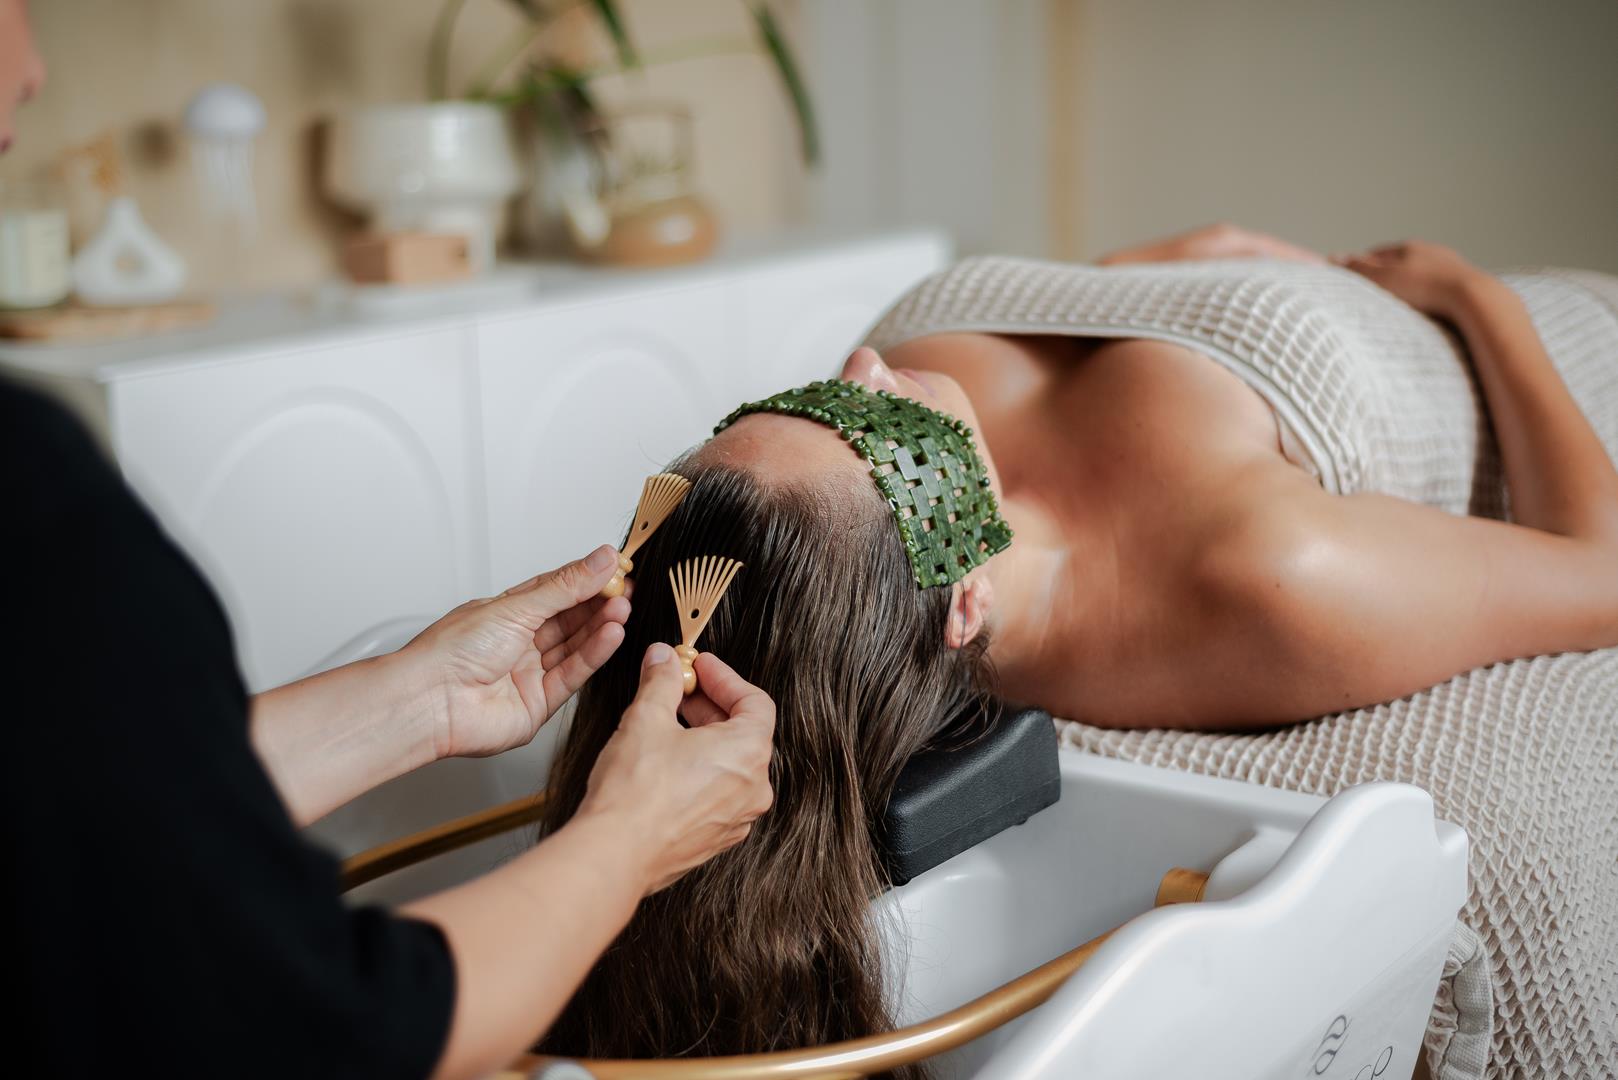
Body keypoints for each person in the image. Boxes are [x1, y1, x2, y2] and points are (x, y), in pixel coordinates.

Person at [530, 226, 1618, 1065]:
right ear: (961, 606)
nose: (865, 364)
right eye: (883, 435)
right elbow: (1601, 574)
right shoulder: (1261, 575)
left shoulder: (857, 520)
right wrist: (1468, 293)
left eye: (805, 402)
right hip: (1557, 340)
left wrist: (1182, 261)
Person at [2, 4, 775, 1075]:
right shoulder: (31, 497)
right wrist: (629, 839)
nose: (35, 69)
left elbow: (86, 810)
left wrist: (423, 700)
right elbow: (312, 1032)